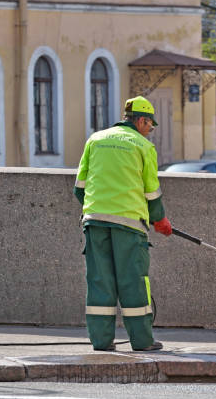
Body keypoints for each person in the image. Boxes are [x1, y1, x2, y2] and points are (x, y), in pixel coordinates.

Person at [73, 95, 172, 352]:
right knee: (133, 282)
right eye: (150, 125)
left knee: (99, 281)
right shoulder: (143, 147)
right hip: (129, 226)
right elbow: (152, 193)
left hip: (94, 222)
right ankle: (142, 341)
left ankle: (101, 342)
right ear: (140, 120)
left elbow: (79, 189)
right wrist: (160, 221)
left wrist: (98, 208)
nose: (150, 131)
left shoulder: (95, 140)